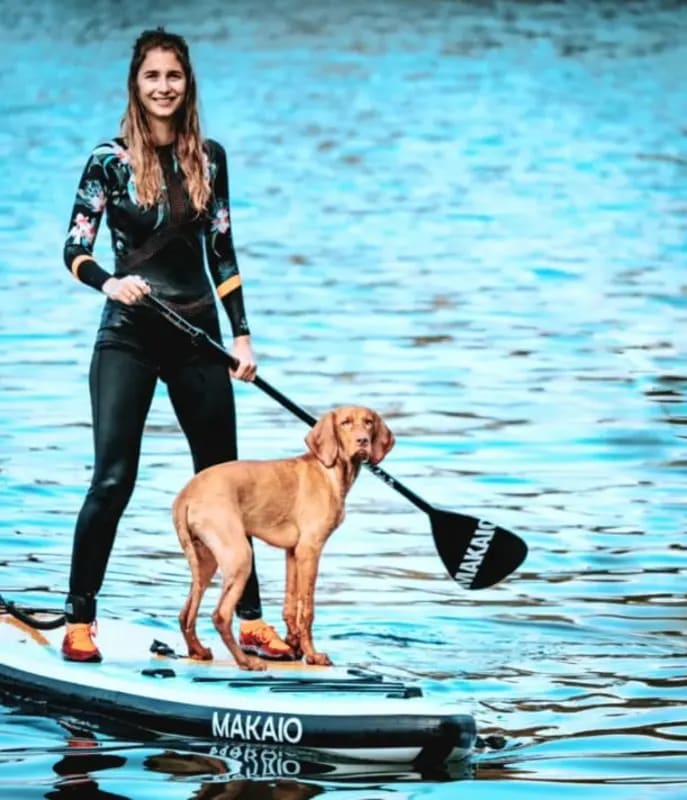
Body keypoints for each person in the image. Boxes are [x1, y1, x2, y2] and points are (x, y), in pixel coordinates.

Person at [61, 27, 294, 664]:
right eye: (151, 77)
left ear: (187, 85)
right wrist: (112, 284)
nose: (163, 87)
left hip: (199, 339)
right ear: (136, 87)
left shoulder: (209, 158)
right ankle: (80, 619)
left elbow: (222, 252)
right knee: (113, 478)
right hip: (129, 337)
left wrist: (241, 335)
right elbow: (74, 250)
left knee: (226, 484)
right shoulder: (107, 161)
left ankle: (248, 622)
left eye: (174, 76)